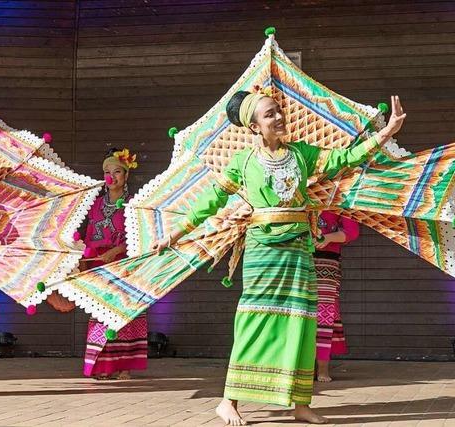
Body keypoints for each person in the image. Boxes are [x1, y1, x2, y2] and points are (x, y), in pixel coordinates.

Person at [154, 90, 405, 425]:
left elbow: (346, 158)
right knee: (255, 322)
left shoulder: (302, 153)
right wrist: (175, 233)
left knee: (300, 323)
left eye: (278, 111)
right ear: (255, 126)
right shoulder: (242, 162)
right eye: (270, 114)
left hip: (300, 248)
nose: (279, 117)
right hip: (263, 251)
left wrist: (385, 133)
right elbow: (211, 200)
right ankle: (229, 400)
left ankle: (300, 403)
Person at [81, 148, 148, 380]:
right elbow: (89, 234)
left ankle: (124, 367)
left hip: (124, 266)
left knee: (123, 314)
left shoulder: (133, 204)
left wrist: (118, 250)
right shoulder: (95, 204)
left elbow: (140, 237)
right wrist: (84, 260)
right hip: (98, 266)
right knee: (100, 314)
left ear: (126, 175)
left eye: (117, 171)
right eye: (107, 172)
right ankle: (102, 367)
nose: (112, 176)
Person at [314, 211, 359, 382]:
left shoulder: (340, 199)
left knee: (324, 315)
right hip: (298, 260)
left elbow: (352, 231)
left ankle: (323, 369)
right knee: (298, 314)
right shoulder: (297, 194)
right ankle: (302, 367)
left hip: (327, 262)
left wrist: (328, 238)